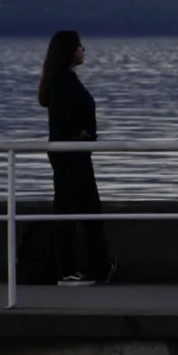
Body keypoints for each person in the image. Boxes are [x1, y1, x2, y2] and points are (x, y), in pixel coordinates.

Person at [37, 30, 117, 286]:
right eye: (80, 46)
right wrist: (81, 134)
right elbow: (63, 117)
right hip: (70, 156)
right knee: (70, 210)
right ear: (69, 51)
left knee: (87, 209)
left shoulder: (65, 79)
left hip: (75, 155)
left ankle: (98, 267)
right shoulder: (62, 81)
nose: (84, 50)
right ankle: (68, 270)